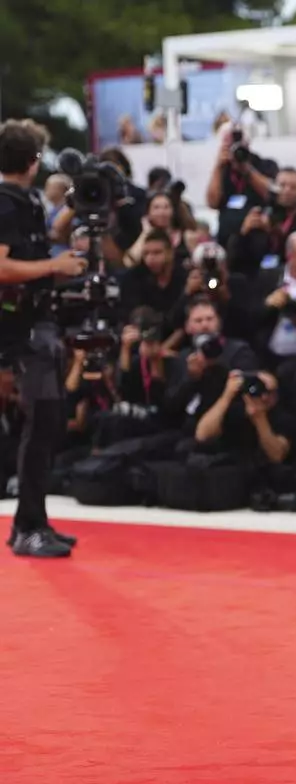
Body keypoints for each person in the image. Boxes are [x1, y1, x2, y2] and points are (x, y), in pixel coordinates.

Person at [0, 120, 87, 557]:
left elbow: (41, 244)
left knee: (47, 423)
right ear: (33, 163)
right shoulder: (5, 204)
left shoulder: (26, 201)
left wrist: (76, 210)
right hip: (21, 330)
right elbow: (1, 267)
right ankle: (28, 526)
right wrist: (55, 268)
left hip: (37, 325)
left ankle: (31, 522)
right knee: (42, 423)